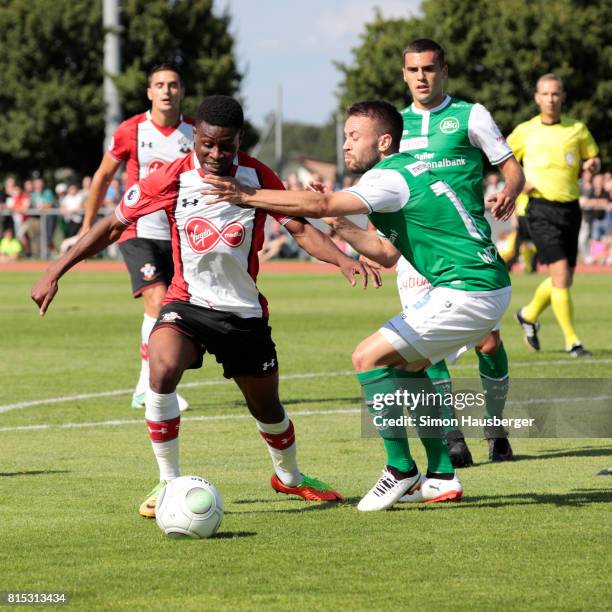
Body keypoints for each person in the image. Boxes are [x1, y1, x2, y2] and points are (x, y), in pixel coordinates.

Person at [32, 95, 377, 517]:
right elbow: (113, 225)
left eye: (226, 146)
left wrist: (342, 258)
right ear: (195, 136)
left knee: (267, 408)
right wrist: (56, 270)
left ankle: (289, 477)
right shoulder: (171, 177)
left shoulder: (257, 176)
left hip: (243, 314)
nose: (216, 154)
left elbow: (299, 229)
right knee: (161, 367)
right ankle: (167, 480)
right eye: (208, 144)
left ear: (239, 141)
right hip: (187, 304)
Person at [201, 100, 513, 511]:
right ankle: (440, 477)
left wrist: (249, 195)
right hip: (481, 287)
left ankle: (400, 469)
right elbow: (384, 253)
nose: (345, 145)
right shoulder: (405, 171)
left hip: (468, 289)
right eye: (345, 136)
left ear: (384, 142)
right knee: (409, 367)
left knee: (367, 358)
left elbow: (320, 205)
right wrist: (339, 224)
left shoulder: (388, 176)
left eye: (354, 137)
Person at [366, 38, 525, 465]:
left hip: (467, 249)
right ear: (404, 74)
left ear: (444, 71)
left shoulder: (470, 116)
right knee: (423, 345)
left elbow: (511, 168)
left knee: (489, 343)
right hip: (416, 254)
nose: (422, 77)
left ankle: (495, 426)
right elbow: (381, 190)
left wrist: (509, 191)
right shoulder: (393, 127)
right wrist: (370, 240)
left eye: (430, 69)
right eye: (414, 70)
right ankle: (451, 433)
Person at [80, 63, 196, 411]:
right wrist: (88, 226)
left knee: (174, 311)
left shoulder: (194, 132)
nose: (166, 91)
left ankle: (144, 383)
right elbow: (102, 176)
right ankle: (150, 386)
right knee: (158, 301)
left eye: (173, 85)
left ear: (181, 91)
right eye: (159, 85)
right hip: (138, 230)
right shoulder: (131, 130)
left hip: (178, 234)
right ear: (149, 92)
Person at [509, 74, 600, 357]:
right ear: (537, 97)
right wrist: (520, 182)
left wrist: (592, 166)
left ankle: (528, 314)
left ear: (563, 96)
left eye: (555, 94)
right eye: (545, 94)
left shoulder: (578, 129)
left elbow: (591, 157)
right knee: (560, 274)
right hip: (538, 208)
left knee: (565, 278)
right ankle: (572, 341)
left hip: (570, 208)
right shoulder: (524, 131)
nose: (550, 99)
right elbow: (504, 161)